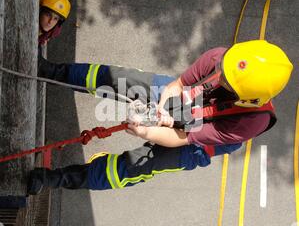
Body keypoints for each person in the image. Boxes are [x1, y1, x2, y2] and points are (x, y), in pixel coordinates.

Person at [28, 40, 293, 194]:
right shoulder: (222, 58)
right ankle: (52, 71)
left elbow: (183, 138)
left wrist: (146, 132)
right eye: (222, 71)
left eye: (228, 82)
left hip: (196, 144)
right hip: (182, 97)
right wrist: (162, 109)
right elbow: (178, 85)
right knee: (118, 79)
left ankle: (55, 179)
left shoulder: (251, 121)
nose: (220, 76)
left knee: (135, 165)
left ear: (248, 97)